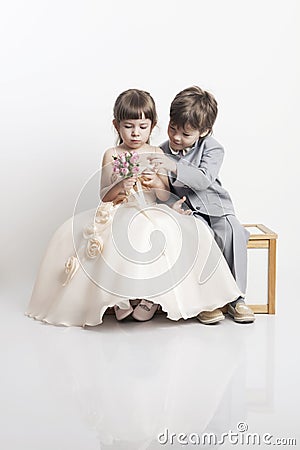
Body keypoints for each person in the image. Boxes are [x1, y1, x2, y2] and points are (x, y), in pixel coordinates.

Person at [26, 88, 244, 327]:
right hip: (122, 208)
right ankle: (119, 298)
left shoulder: (157, 152)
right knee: (116, 233)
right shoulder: (112, 154)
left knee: (167, 232)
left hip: (164, 209)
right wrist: (120, 185)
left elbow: (164, 194)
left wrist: (155, 183)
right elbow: (104, 195)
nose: (135, 133)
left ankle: (155, 299)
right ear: (116, 125)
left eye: (142, 127)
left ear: (152, 126)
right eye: (128, 126)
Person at [149, 86, 255, 324]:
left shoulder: (213, 148)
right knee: (199, 238)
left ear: (204, 131)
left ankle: (237, 298)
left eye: (185, 134)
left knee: (232, 233)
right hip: (187, 212)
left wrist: (173, 165)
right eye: (172, 128)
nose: (176, 137)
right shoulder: (161, 151)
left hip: (217, 206)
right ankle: (208, 301)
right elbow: (161, 191)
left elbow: (204, 179)